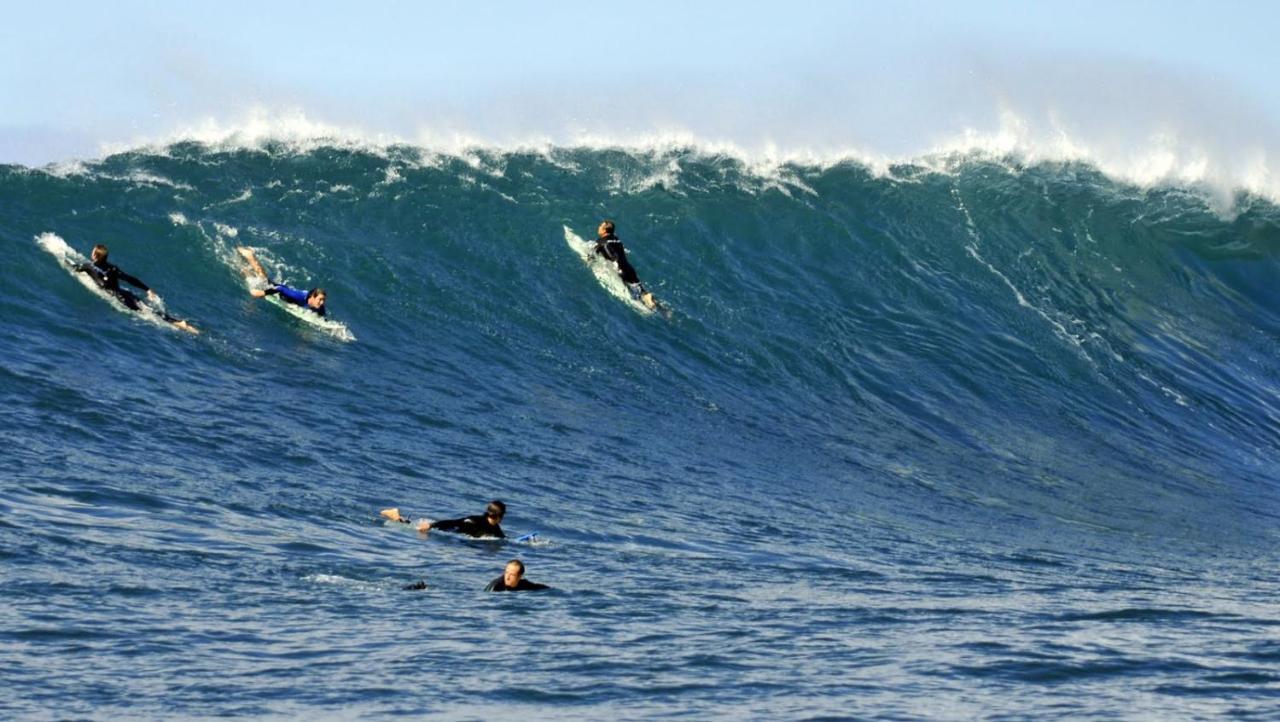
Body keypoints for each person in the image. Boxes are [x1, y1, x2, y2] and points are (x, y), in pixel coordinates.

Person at [74, 244, 199, 334]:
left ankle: (178, 324)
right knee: (149, 310)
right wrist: (147, 289)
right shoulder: (113, 268)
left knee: (147, 314)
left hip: (119, 297)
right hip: (126, 293)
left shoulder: (88, 266)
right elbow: (130, 279)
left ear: (95, 255)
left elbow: (75, 268)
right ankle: (180, 323)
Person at [237, 247, 327, 316]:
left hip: (281, 293)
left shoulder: (320, 307)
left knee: (258, 275)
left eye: (323, 300)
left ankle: (244, 261)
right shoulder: (298, 296)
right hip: (273, 289)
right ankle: (248, 257)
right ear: (312, 297)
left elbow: (322, 318)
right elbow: (280, 289)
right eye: (320, 299)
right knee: (256, 276)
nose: (322, 302)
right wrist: (262, 293)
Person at [593, 220, 657, 310]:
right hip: (629, 268)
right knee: (641, 290)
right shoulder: (616, 239)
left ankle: (646, 302)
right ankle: (658, 305)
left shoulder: (601, 241)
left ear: (604, 231)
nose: (598, 227)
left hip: (621, 271)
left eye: (600, 226)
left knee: (632, 293)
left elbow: (593, 254)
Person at [380, 500, 506, 538]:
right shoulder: (475, 521)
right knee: (409, 526)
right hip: (445, 529)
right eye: (503, 515)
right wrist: (431, 525)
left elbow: (502, 538)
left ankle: (398, 516)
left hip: (451, 534)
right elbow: (453, 522)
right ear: (498, 515)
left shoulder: (495, 527)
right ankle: (395, 515)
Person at [484, 559, 549, 592]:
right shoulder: (495, 586)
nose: (507, 577)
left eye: (512, 575)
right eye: (506, 573)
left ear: (519, 576)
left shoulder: (524, 584)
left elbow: (541, 588)